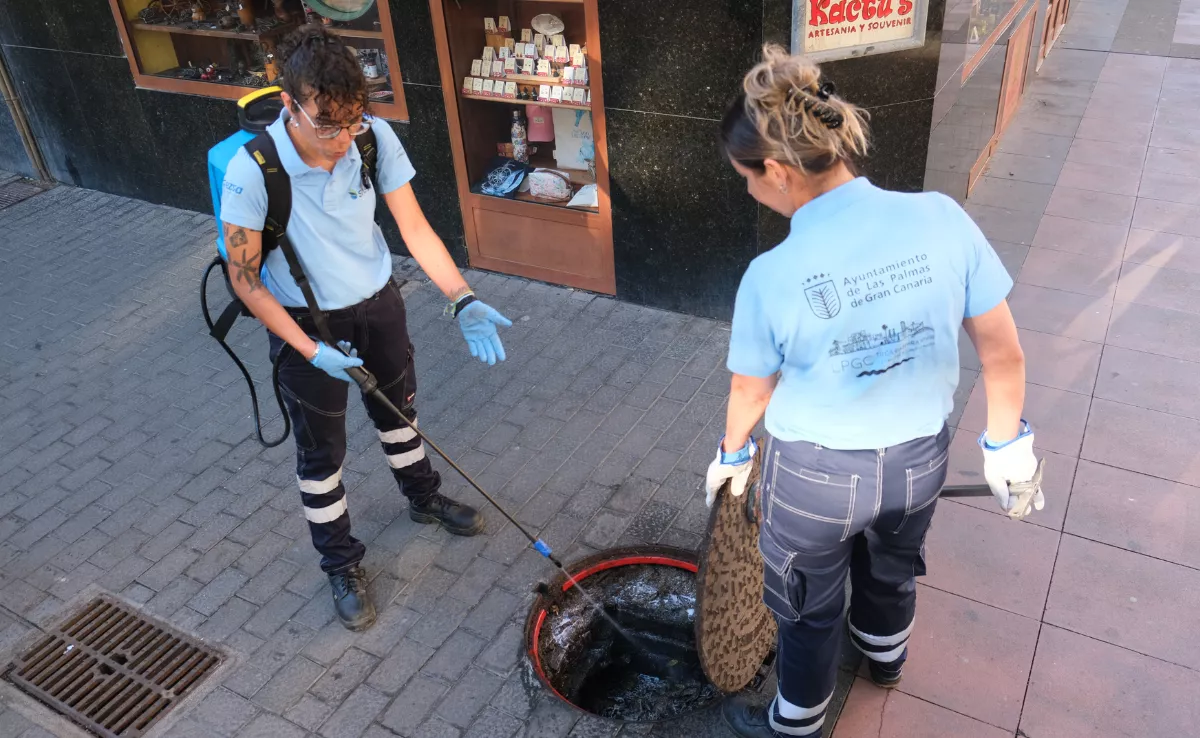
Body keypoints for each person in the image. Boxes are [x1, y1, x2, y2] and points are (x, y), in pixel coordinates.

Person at [705, 45, 1043, 738]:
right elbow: (1003, 355)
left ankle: (796, 721)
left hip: (814, 481)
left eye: (746, 177)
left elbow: (750, 391)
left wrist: (732, 458)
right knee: (892, 571)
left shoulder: (772, 273)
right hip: (919, 461)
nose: (748, 190)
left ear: (776, 170)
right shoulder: (943, 218)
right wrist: (1009, 446)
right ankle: (886, 660)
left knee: (804, 602)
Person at [219, 25, 512, 632]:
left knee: (400, 414)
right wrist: (308, 349)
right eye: (327, 125)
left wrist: (462, 298)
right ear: (289, 103)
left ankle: (423, 498)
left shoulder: (371, 140)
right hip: (304, 325)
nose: (341, 139)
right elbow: (244, 282)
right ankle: (340, 563)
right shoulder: (252, 173)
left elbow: (414, 226)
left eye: (351, 121)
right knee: (321, 454)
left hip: (378, 304)